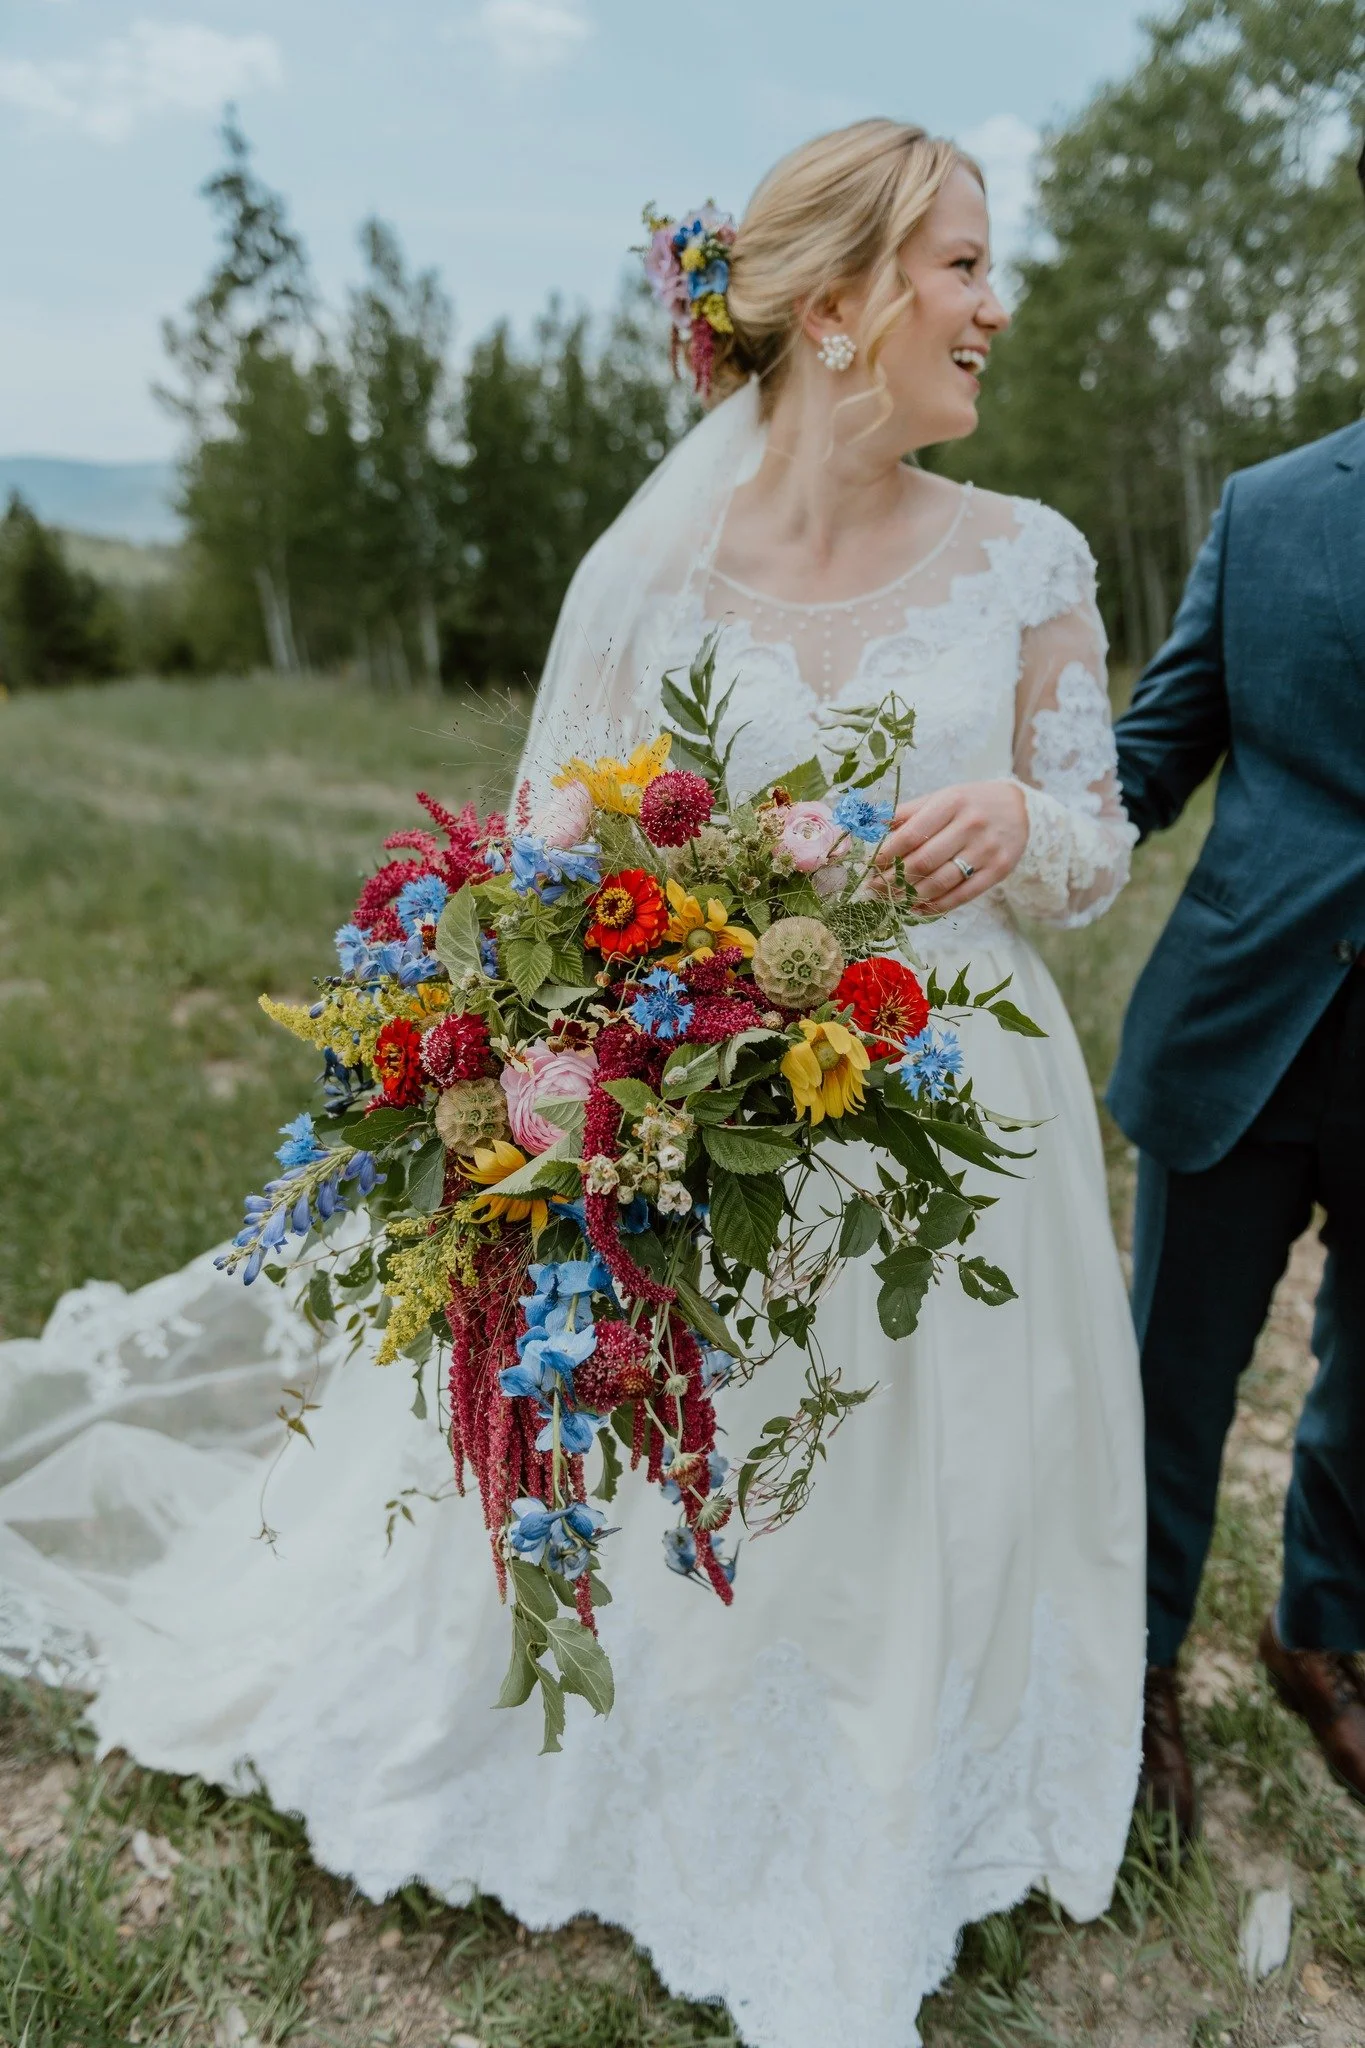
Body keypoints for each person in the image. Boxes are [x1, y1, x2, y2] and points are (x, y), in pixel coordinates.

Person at [0, 121, 1144, 2048]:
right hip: (713, 1076)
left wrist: (1023, 814)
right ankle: (676, 1722)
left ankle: (923, 1756)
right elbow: (551, 853)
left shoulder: (1029, 557)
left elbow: (1099, 848)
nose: (993, 306)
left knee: (921, 1465)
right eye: (959, 266)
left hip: (963, 1091)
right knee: (710, 1436)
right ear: (841, 306)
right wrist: (597, 1042)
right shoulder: (660, 573)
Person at [1109, 180, 1365, 1831]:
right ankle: (1126, 1675)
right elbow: (1146, 757)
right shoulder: (1270, 509)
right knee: (1164, 1385)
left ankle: (1322, 1634)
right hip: (1242, 1035)